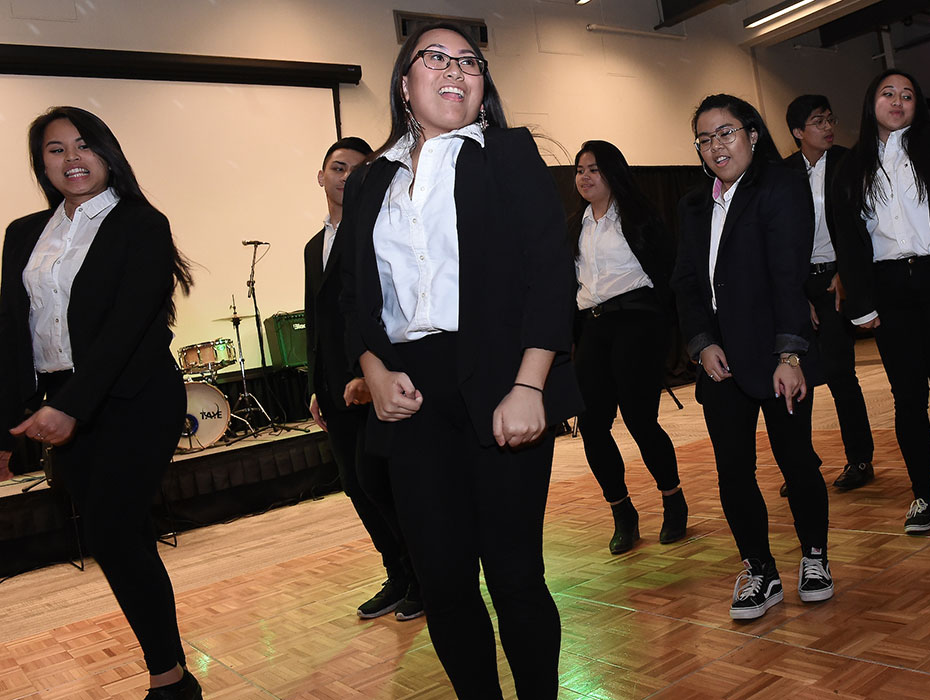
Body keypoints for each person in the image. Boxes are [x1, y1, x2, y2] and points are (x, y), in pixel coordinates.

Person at [338, 22, 581, 698]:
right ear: (405, 84)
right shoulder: (369, 182)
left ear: (482, 85)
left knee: (513, 575)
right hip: (411, 397)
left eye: (469, 60)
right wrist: (374, 368)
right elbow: (355, 295)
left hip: (504, 383)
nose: (455, 69)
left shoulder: (506, 156)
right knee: (443, 581)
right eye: (435, 58)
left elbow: (549, 275)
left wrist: (531, 383)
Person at [0, 107, 201, 699]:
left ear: (107, 151)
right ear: (42, 164)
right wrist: (6, 434)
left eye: (83, 145)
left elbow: (129, 326)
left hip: (135, 397)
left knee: (113, 534)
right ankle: (173, 674)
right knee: (120, 538)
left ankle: (168, 679)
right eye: (56, 150)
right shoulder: (21, 234)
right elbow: (14, 332)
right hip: (62, 400)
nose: (72, 159)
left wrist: (74, 407)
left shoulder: (140, 222)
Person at [672, 93, 834, 621]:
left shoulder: (779, 187)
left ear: (753, 135)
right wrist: (701, 342)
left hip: (774, 352)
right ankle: (760, 569)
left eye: (727, 132)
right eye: (705, 137)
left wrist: (790, 353)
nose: (717, 145)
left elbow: (789, 274)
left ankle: (814, 556)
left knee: (796, 459)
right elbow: (686, 283)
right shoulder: (695, 204)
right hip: (719, 360)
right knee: (733, 470)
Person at [831, 70, 930, 535]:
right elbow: (850, 239)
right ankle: (923, 497)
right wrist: (860, 302)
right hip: (888, 288)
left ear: (916, 105)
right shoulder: (852, 164)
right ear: (871, 103)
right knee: (907, 400)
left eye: (907, 95)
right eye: (888, 93)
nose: (898, 101)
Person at [304, 136, 423, 621]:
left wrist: (364, 374)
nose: (345, 176)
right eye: (337, 167)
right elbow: (318, 321)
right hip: (333, 389)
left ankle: (424, 576)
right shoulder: (314, 246)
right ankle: (398, 574)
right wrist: (316, 385)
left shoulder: (375, 231)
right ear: (321, 175)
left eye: (357, 169)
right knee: (356, 487)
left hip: (368, 384)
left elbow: (373, 309)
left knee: (384, 484)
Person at [569, 139, 686, 555]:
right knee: (593, 426)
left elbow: (669, 270)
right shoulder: (575, 225)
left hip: (637, 321)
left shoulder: (638, 217)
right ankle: (623, 513)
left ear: (613, 172)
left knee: (639, 419)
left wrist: (668, 323)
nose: (585, 176)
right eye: (580, 169)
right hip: (594, 327)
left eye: (594, 169)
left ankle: (673, 500)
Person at [782, 94, 875, 494]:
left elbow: (866, 224)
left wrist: (846, 273)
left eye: (829, 118)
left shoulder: (850, 163)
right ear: (798, 132)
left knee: (840, 373)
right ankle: (802, 465)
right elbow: (779, 238)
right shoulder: (781, 174)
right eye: (817, 121)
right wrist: (793, 292)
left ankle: (859, 459)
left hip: (837, 281)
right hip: (797, 286)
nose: (827, 127)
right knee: (794, 378)